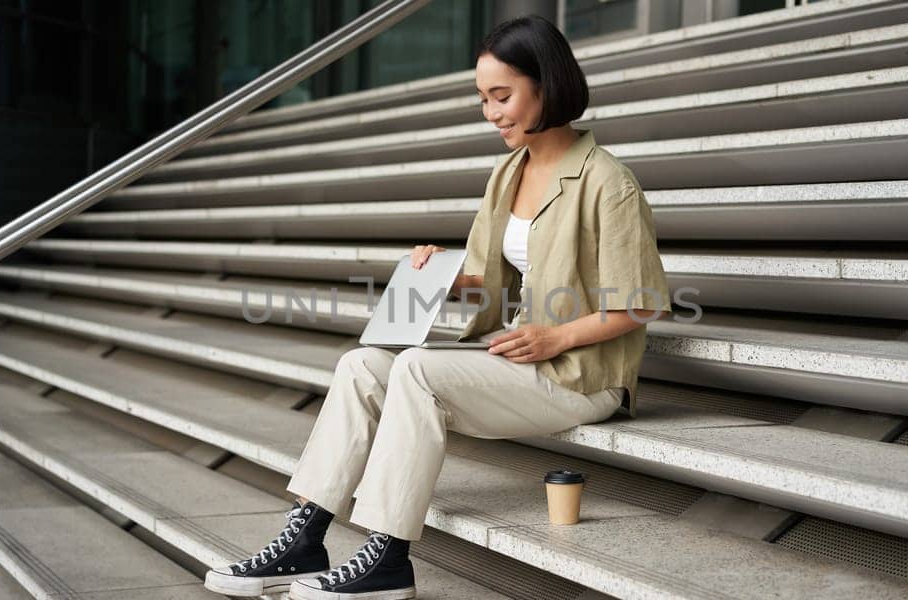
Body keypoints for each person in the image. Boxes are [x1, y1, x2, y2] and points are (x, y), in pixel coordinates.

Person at [204, 14, 672, 600]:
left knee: (417, 368)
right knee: (361, 363)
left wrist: (555, 337)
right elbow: (491, 290)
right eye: (483, 99)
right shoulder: (509, 172)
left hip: (582, 375)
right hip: (518, 358)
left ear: (546, 85)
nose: (491, 113)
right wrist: (446, 277)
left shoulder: (608, 181)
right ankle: (306, 537)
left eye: (502, 96)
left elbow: (642, 304)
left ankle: (387, 557)